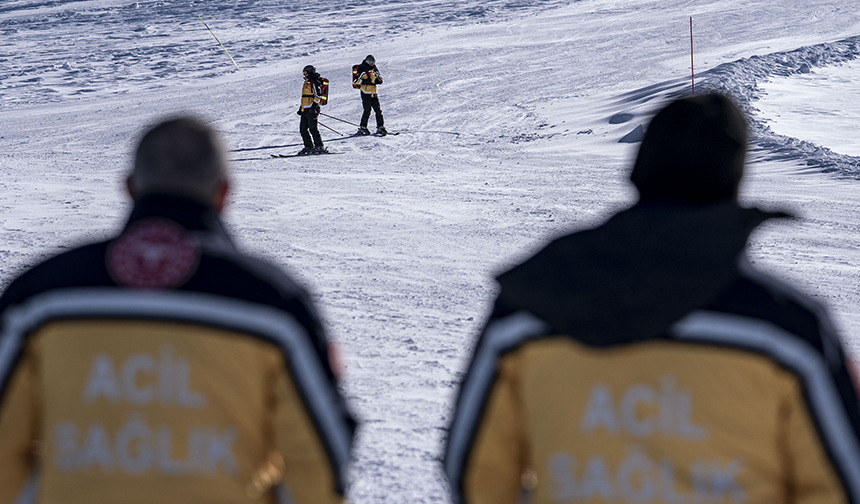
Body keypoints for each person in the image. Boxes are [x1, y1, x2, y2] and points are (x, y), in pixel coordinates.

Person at [444, 94, 860, 504]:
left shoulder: (531, 302)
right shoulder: (786, 329)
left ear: (640, 171)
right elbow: (843, 481)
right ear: (733, 180)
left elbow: (476, 471)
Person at [0, 117, 355, 504]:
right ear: (224, 194)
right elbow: (321, 462)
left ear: (130, 187)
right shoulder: (273, 305)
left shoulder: (40, 297)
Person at [353, 55, 386, 136]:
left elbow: (380, 78)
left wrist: (379, 81)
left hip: (374, 93)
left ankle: (380, 127)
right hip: (365, 93)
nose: (372, 64)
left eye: (373, 62)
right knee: (367, 111)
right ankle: (363, 127)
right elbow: (355, 81)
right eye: (371, 62)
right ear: (367, 61)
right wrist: (364, 82)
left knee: (378, 110)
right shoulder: (362, 69)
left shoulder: (374, 69)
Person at [298, 65, 327, 155]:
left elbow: (318, 95)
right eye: (303, 73)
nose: (304, 75)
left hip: (311, 109)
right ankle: (308, 146)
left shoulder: (315, 82)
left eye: (306, 73)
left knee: (313, 129)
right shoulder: (306, 81)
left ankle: (319, 146)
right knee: (303, 129)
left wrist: (314, 106)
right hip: (305, 109)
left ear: (310, 72)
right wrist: (301, 108)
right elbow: (304, 97)